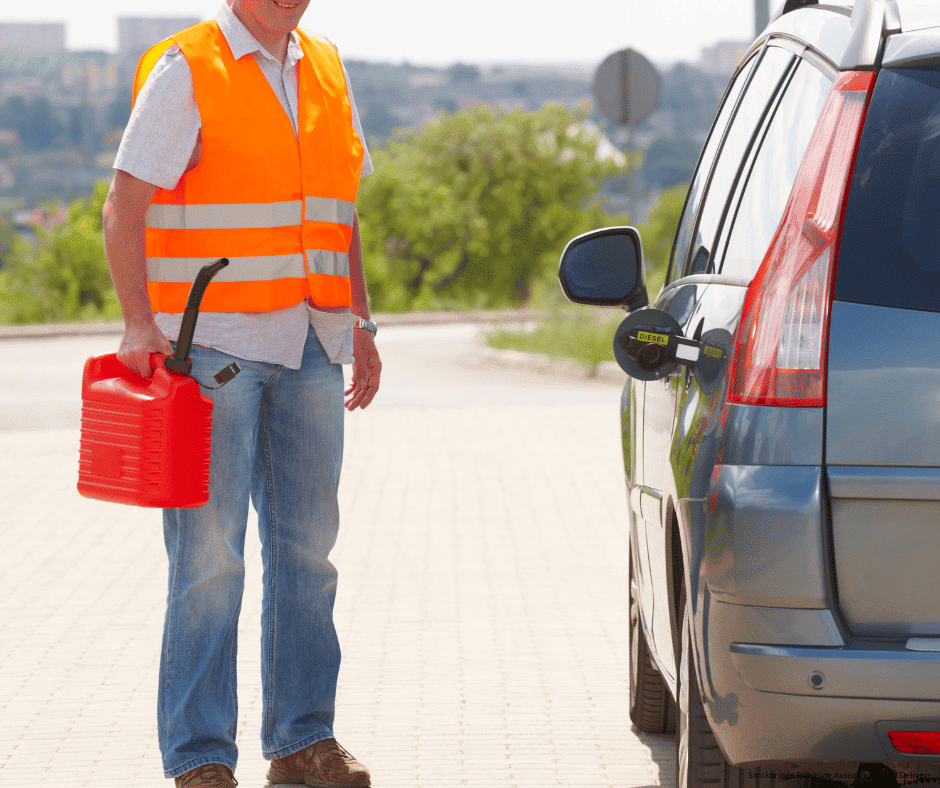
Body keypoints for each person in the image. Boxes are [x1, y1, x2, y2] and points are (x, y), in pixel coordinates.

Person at [102, 0, 380, 786]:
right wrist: (136, 324)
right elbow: (123, 206)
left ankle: (303, 742)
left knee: (309, 555)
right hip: (214, 352)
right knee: (209, 560)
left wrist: (361, 319)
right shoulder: (188, 68)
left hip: (316, 344)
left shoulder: (325, 65)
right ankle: (199, 757)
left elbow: (342, 210)